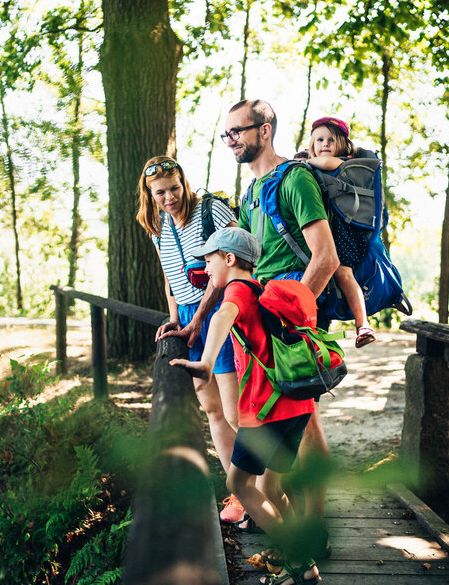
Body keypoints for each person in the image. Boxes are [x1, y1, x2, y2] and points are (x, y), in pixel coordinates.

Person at [170, 227, 321, 585]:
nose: (206, 269)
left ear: (229, 259)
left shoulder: (236, 290)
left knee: (238, 482)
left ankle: (300, 557)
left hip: (265, 410)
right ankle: (296, 559)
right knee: (271, 489)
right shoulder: (259, 289)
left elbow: (221, 318)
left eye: (208, 261)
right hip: (294, 406)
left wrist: (206, 364)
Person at [223, 100, 339, 557]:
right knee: (290, 424)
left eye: (238, 131)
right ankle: (290, 527)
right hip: (265, 325)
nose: (231, 140)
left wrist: (288, 323)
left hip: (290, 326)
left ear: (265, 130)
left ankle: (314, 532)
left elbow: (325, 258)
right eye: (226, 134)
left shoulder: (296, 179)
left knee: (307, 424)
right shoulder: (252, 192)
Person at [135, 156, 245, 523]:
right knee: (213, 410)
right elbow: (170, 278)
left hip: (220, 316)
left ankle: (266, 491)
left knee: (235, 412)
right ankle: (239, 494)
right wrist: (173, 318)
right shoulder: (157, 227)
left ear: (184, 182)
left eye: (175, 188)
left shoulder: (211, 209)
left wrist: (198, 318)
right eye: (160, 192)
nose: (170, 198)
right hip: (187, 319)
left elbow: (232, 266)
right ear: (150, 195)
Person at [304, 116, 374, 348]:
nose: (325, 144)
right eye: (320, 140)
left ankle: (363, 324)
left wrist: (304, 162)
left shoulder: (341, 162)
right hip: (325, 230)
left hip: (343, 233)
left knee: (344, 274)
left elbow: (325, 164)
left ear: (342, 144)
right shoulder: (307, 165)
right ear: (312, 144)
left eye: (331, 140)